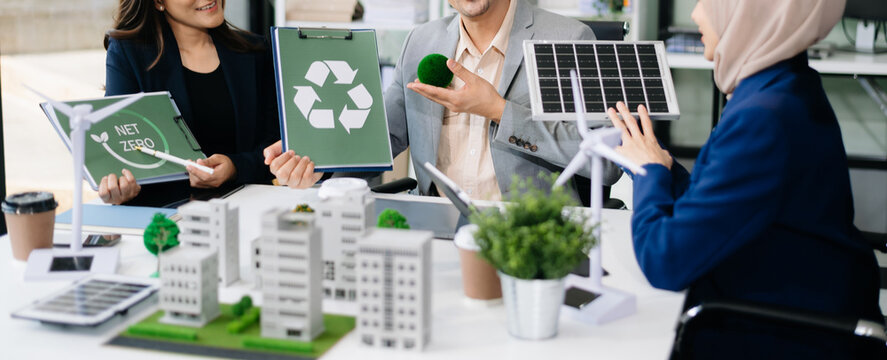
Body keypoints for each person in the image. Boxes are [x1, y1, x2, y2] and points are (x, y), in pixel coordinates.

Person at [607, 0, 885, 358]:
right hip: (793, 298)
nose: (695, 14)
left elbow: (665, 262)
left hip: (783, 331)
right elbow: (726, 203)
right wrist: (662, 164)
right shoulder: (785, 84)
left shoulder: (763, 118)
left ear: (749, 11)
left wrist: (650, 171)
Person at [264, 0, 622, 200]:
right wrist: (313, 156)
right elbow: (378, 139)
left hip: (528, 232)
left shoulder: (569, 39)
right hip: (437, 227)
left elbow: (607, 163)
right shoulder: (420, 41)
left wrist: (497, 110)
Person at [101, 0, 278, 206]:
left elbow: (276, 144)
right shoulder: (128, 53)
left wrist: (235, 167)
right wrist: (119, 186)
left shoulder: (255, 51)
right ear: (158, 2)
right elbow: (119, 153)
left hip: (244, 209)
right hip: (162, 220)